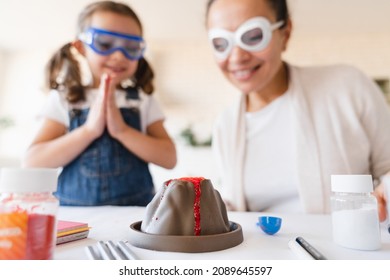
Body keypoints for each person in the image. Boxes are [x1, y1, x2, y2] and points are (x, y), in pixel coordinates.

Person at [205, 0, 390, 220]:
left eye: (253, 36)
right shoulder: (225, 125)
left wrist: (382, 195)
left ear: (285, 33)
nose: (237, 57)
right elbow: (235, 208)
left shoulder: (348, 87)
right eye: (220, 43)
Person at [23, 1, 177, 206]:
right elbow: (33, 161)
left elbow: (169, 158)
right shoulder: (65, 99)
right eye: (104, 44)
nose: (119, 56)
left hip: (135, 217)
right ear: (81, 47)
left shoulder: (142, 101)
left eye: (131, 47)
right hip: (74, 216)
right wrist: (89, 131)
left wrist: (121, 130)